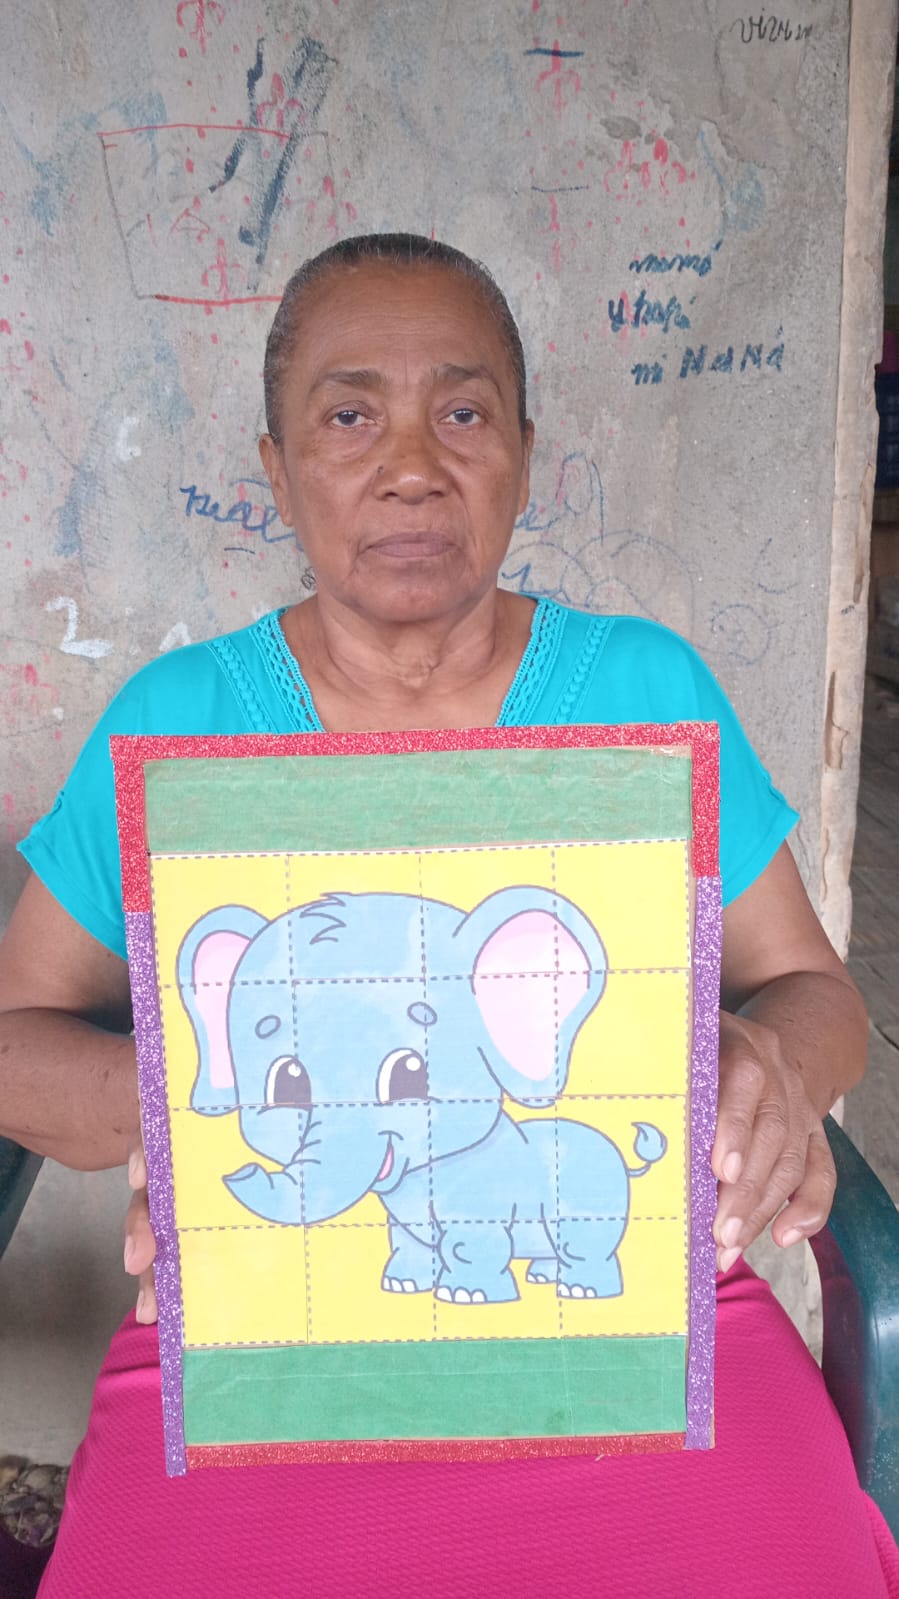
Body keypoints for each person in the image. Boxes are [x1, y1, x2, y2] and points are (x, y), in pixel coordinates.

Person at [0, 233, 896, 1598]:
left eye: (464, 415)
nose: (412, 465)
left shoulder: (642, 690)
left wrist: (772, 1067)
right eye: (350, 417)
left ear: (525, 456)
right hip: (259, 1325)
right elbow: (15, 1038)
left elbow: (823, 998)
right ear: (276, 470)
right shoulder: (176, 725)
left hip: (629, 1308)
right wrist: (190, 1108)